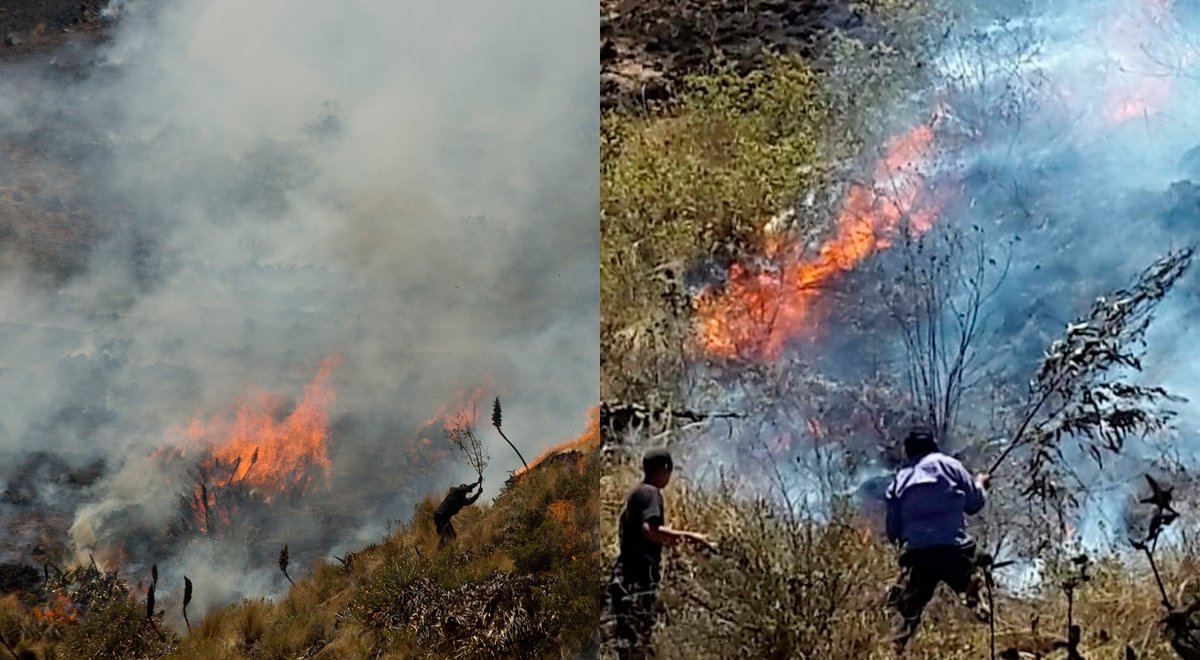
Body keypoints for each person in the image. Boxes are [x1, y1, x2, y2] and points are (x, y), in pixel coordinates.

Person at [885, 426, 990, 653]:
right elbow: (975, 503)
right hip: (955, 550)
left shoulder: (900, 480)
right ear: (933, 445)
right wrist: (981, 483)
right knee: (976, 600)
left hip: (919, 556)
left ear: (909, 452)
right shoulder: (950, 465)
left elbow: (893, 532)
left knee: (909, 613)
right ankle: (994, 639)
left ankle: (895, 650)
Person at [608, 448, 711, 660]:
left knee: (630, 648)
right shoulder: (649, 493)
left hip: (626, 581)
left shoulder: (637, 494)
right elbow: (651, 530)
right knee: (635, 647)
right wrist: (693, 538)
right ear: (665, 468)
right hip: (635, 582)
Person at [434, 479, 482, 548]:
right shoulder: (455, 492)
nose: (465, 493)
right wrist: (477, 483)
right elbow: (467, 489)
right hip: (442, 515)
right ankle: (449, 551)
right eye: (464, 491)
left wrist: (478, 494)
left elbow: (469, 501)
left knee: (442, 536)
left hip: (439, 516)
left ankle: (439, 552)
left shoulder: (461, 499)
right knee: (452, 535)